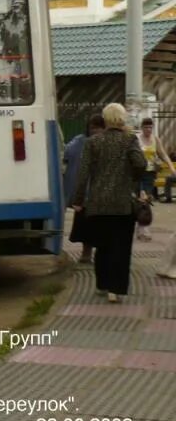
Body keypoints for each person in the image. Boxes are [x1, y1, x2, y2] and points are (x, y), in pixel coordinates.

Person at [72, 103, 146, 303]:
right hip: (122, 203)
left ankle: (102, 284)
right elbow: (140, 163)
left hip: (98, 204)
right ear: (122, 119)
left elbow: (83, 173)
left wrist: (78, 200)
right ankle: (117, 288)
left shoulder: (93, 142)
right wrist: (133, 179)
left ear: (104, 120)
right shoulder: (130, 140)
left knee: (102, 246)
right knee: (121, 247)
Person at [63, 114, 106, 263]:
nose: (95, 131)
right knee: (85, 224)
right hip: (85, 192)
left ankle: (101, 255)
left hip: (102, 193)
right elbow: (66, 153)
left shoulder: (108, 143)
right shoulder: (79, 141)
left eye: (99, 127)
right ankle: (86, 253)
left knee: (101, 227)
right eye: (93, 127)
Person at [136, 117, 173, 240]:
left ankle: (142, 228)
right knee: (142, 199)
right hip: (138, 173)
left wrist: (172, 168)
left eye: (150, 127)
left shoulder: (155, 139)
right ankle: (142, 229)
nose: (148, 129)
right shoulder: (137, 139)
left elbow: (163, 154)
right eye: (146, 127)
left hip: (150, 174)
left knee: (146, 200)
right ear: (142, 128)